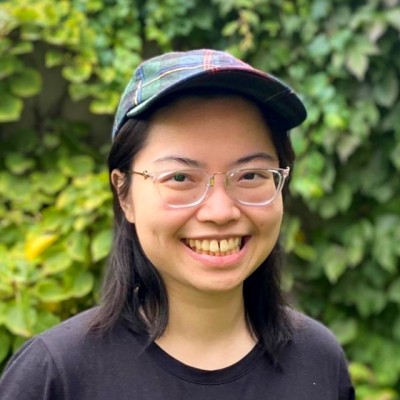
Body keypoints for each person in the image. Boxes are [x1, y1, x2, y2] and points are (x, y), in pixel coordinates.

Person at [0, 49, 355, 399]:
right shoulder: (57, 375)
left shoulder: (318, 361)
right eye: (181, 177)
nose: (220, 212)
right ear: (124, 194)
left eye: (250, 175)